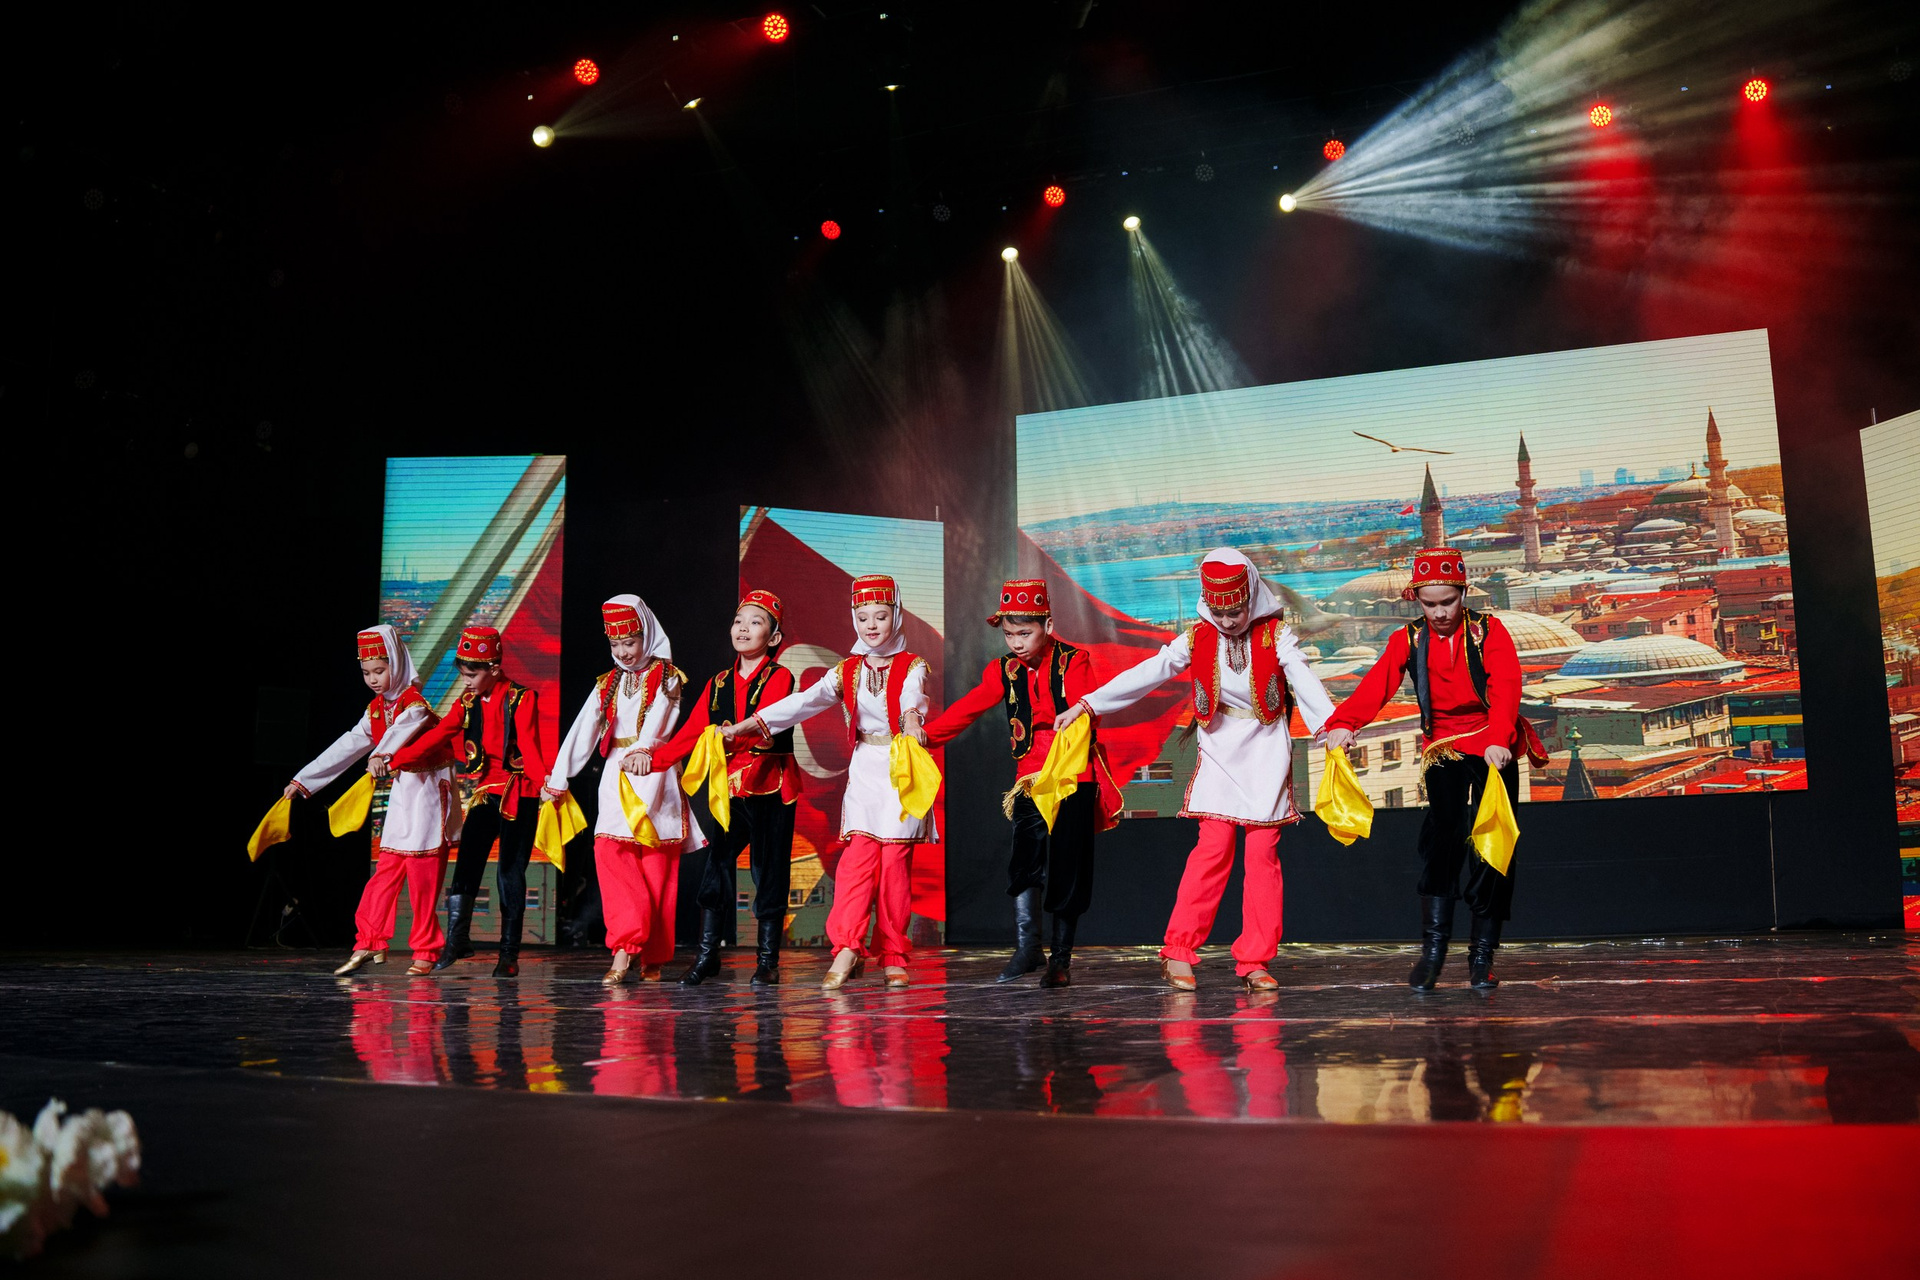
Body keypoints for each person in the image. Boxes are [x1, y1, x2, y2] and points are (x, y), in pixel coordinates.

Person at [1057, 550, 1333, 991]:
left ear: (1251, 598)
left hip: (1265, 750)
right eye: (1219, 612)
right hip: (1220, 748)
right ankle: (1178, 950)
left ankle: (1255, 960)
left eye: (1235, 611)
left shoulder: (1275, 635)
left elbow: (1302, 678)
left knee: (1262, 856)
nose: (1227, 620)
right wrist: (1088, 704)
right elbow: (1150, 672)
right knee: (1212, 848)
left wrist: (1330, 725)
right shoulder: (1197, 638)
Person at [1322, 547, 1545, 991]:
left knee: (1495, 846)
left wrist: (1500, 739)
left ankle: (1482, 956)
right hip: (1442, 746)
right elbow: (1377, 684)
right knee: (1442, 839)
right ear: (1417, 600)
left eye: (1448, 601)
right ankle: (1433, 952)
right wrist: (1344, 723)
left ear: (1463, 593)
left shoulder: (1488, 631)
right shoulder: (1407, 639)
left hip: (1492, 742)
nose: (1440, 612)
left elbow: (1506, 686)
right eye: (1430, 604)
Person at [723, 574, 934, 991]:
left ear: (896, 615)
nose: (871, 625)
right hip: (866, 768)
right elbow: (803, 702)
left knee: (894, 865)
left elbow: (912, 697)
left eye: (880, 616)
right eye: (863, 617)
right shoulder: (848, 670)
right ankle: (847, 947)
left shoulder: (913, 665)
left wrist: (912, 720)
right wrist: (751, 724)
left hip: (901, 768)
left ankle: (893, 954)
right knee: (857, 862)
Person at [922, 578, 1120, 988]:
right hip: (1029, 777)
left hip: (1072, 775)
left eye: (1024, 633)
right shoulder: (1004, 670)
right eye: (1009, 634)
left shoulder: (1073, 661)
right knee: (1025, 860)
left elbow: (1091, 710)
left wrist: (1074, 716)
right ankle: (1028, 947)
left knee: (1068, 865)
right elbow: (969, 707)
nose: (1016, 642)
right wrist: (927, 736)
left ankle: (1060, 960)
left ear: (1048, 625)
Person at [545, 596, 707, 984]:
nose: (623, 652)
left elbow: (660, 718)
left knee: (657, 870)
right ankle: (625, 946)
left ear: (646, 636)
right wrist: (559, 777)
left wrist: (643, 749)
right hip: (616, 774)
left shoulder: (667, 676)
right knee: (610, 851)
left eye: (629, 642)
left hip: (654, 773)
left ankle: (653, 955)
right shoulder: (609, 682)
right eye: (616, 644)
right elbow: (584, 728)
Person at [647, 589, 804, 986]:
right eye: (738, 621)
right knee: (716, 865)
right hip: (729, 789)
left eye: (755, 622)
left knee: (769, 870)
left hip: (770, 787)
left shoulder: (780, 677)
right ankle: (707, 955)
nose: (743, 628)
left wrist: (731, 735)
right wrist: (653, 759)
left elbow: (766, 723)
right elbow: (691, 732)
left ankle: (767, 961)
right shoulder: (718, 682)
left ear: (773, 638)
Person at [288, 626, 462, 976]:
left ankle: (426, 949)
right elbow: (349, 744)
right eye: (366, 672)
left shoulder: (414, 705)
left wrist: (381, 754)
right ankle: (369, 941)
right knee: (386, 871)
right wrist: (304, 780)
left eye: (379, 671)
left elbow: (401, 732)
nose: (372, 679)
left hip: (430, 791)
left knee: (423, 875)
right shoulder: (377, 709)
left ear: (395, 665)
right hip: (404, 792)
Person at [387, 625, 550, 977]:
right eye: (463, 674)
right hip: (485, 794)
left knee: (509, 872)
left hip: (519, 793)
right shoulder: (467, 702)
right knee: (466, 865)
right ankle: (458, 939)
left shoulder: (521, 698)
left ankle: (508, 956)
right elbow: (438, 734)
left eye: (472, 675)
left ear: (494, 669)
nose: (466, 682)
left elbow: (531, 748)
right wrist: (396, 759)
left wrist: (545, 784)